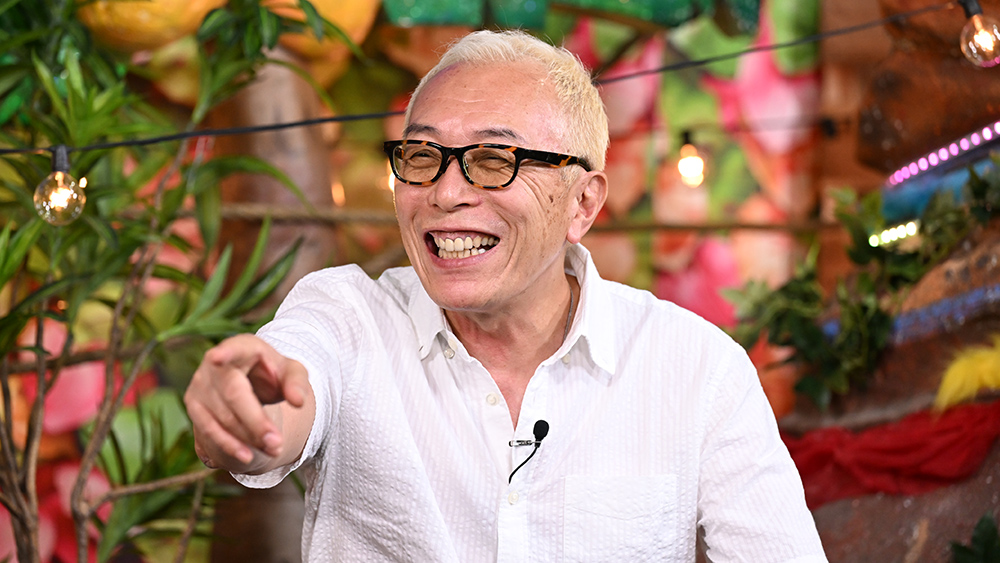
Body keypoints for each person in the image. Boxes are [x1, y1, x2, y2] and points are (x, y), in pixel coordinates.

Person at [184, 29, 827, 562]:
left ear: (583, 203)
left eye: (495, 161)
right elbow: (284, 397)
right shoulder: (347, 315)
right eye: (421, 155)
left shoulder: (696, 369)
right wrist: (245, 413)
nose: (445, 193)